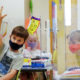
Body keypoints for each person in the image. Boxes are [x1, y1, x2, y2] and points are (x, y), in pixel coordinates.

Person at [0, 7, 29, 80]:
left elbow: (12, 73)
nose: (15, 41)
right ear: (10, 37)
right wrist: (0, 21)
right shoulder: (4, 47)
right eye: (14, 38)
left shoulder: (20, 57)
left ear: (23, 42)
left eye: (19, 40)